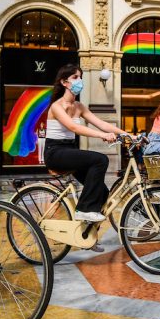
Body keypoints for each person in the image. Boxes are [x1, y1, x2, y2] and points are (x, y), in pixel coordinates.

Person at [44, 64, 127, 223]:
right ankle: (84, 210)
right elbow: (74, 127)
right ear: (64, 82)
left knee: (102, 192)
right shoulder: (56, 106)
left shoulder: (79, 106)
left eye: (80, 77)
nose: (79, 80)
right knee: (100, 160)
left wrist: (128, 135)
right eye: (75, 77)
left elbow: (102, 123)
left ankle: (85, 231)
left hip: (69, 151)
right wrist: (102, 135)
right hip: (55, 152)